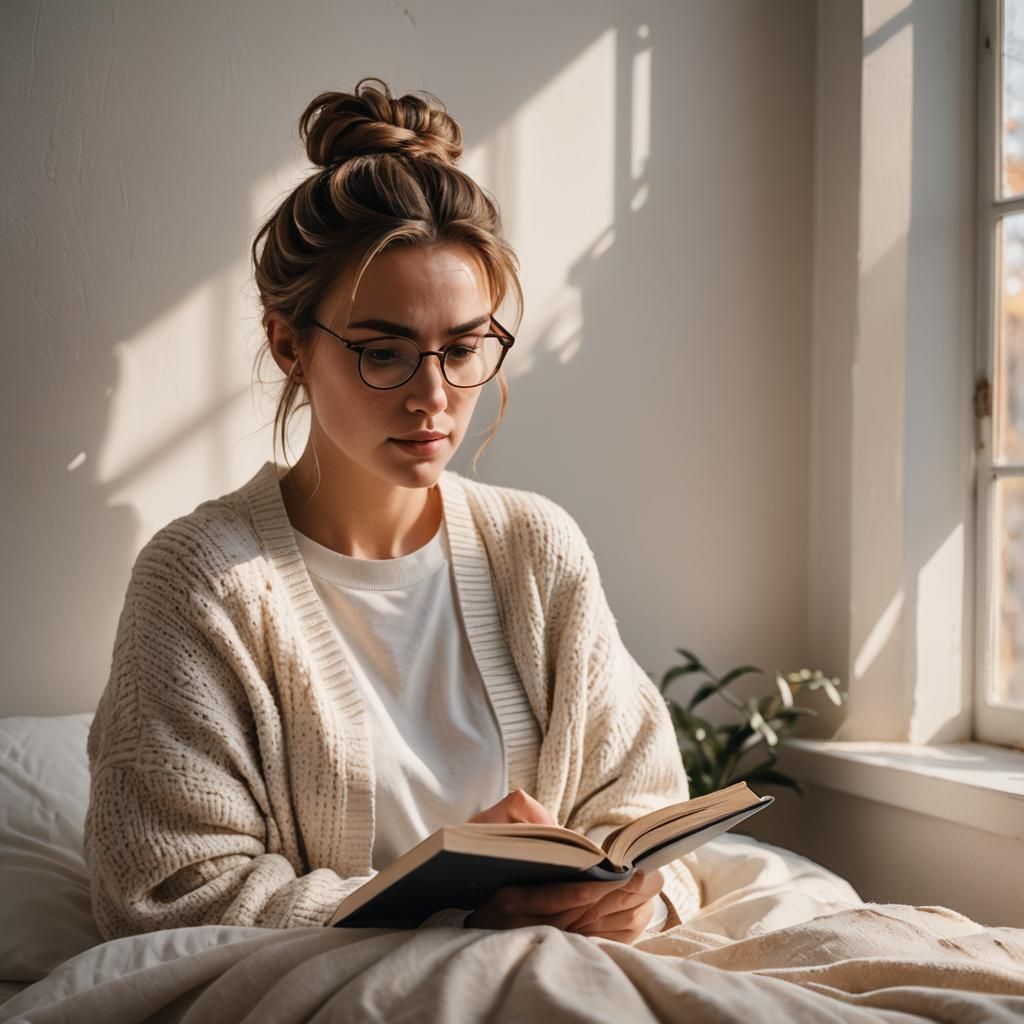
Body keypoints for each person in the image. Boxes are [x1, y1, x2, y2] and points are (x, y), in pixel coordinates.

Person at [84, 78, 701, 945]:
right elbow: (165, 889)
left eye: (463, 349)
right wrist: (455, 915)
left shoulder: (537, 549)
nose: (433, 398)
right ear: (287, 343)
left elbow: (643, 813)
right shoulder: (202, 582)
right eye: (384, 353)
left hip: (567, 969)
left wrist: (634, 896)